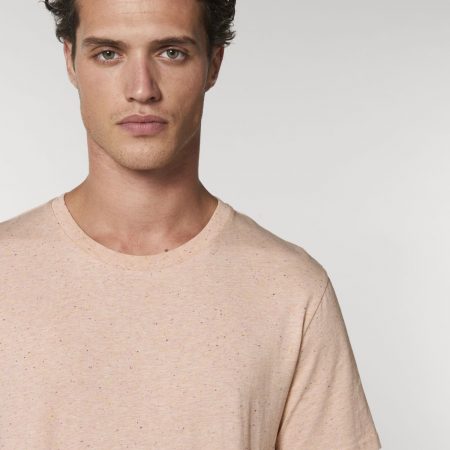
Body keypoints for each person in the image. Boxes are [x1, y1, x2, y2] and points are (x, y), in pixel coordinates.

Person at [0, 0, 382, 448]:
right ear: (70, 60)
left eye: (171, 53)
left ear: (213, 63)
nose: (141, 89)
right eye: (108, 53)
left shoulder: (291, 290)